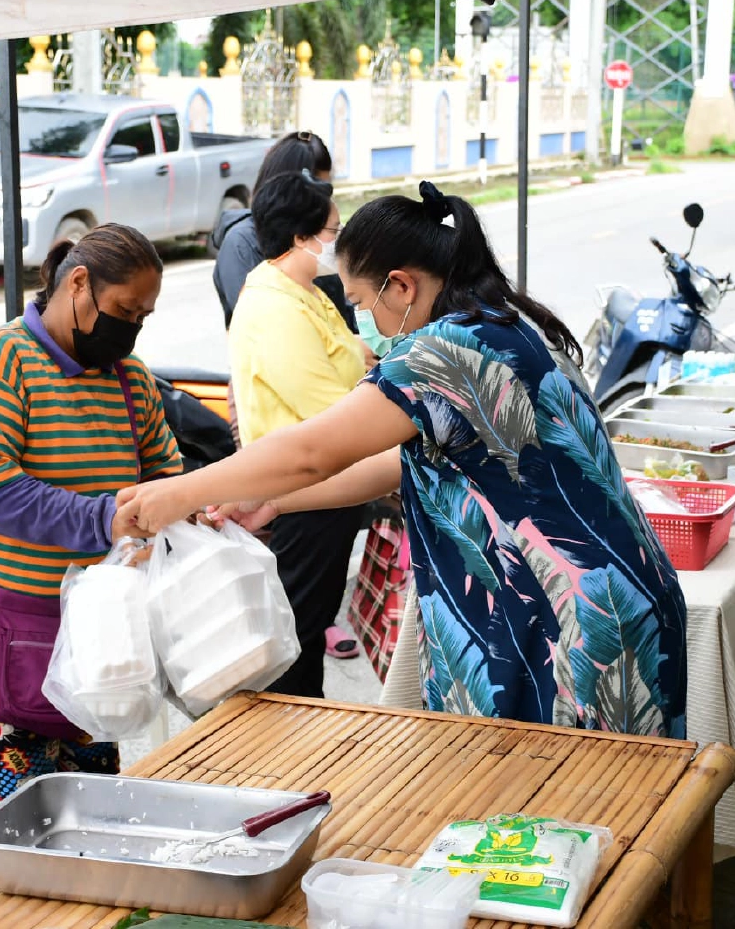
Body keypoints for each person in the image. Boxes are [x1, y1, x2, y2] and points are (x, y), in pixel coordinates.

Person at [115, 182, 688, 738]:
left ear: (401, 286)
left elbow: (312, 451)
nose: (365, 319)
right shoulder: (502, 322)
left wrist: (178, 492)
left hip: (569, 627)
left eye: (361, 302)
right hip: (605, 600)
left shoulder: (443, 351)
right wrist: (274, 501)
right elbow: (398, 463)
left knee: (560, 796)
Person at [0, 225, 182, 823]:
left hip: (99, 641)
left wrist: (189, 510)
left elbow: (167, 476)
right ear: (79, 284)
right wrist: (105, 519)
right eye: (124, 311)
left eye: (142, 317)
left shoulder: (129, 377)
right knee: (19, 831)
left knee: (93, 819)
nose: (131, 328)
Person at [223, 170, 368, 695]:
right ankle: (294, 733)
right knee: (298, 637)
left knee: (310, 623)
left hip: (330, 487)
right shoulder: (273, 306)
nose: (338, 241)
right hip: (303, 492)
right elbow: (330, 415)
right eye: (332, 231)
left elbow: (355, 354)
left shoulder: (305, 292)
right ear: (300, 237)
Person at [210, 130, 355, 332]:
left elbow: (343, 315)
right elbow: (262, 328)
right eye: (316, 192)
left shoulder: (318, 244)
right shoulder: (241, 244)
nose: (323, 203)